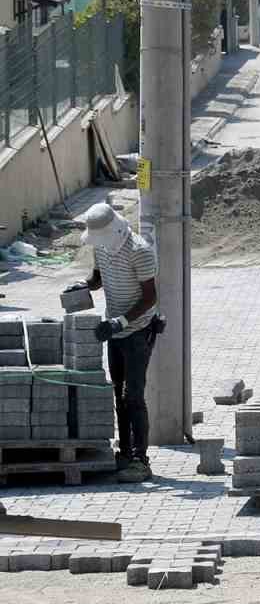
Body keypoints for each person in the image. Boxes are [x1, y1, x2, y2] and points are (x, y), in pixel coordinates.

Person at [63, 203, 158, 477]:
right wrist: (83, 285)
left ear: (113, 231)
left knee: (134, 396)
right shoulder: (102, 246)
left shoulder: (139, 252)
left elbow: (151, 297)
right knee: (118, 392)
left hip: (138, 330)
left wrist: (121, 322)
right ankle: (125, 453)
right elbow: (98, 278)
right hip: (115, 330)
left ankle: (141, 461)